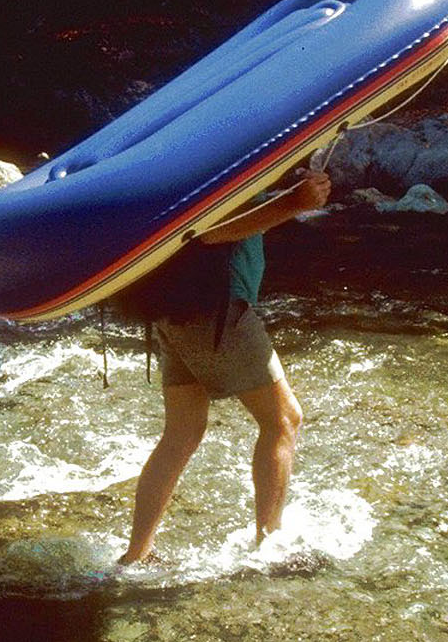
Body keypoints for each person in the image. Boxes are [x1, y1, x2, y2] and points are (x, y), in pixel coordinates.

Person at [118, 168, 332, 565]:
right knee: (283, 420)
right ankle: (270, 547)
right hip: (214, 308)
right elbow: (211, 231)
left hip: (177, 308)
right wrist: (294, 203)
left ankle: (136, 555)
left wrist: (288, 184)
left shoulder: (203, 158)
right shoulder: (221, 163)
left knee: (182, 432)